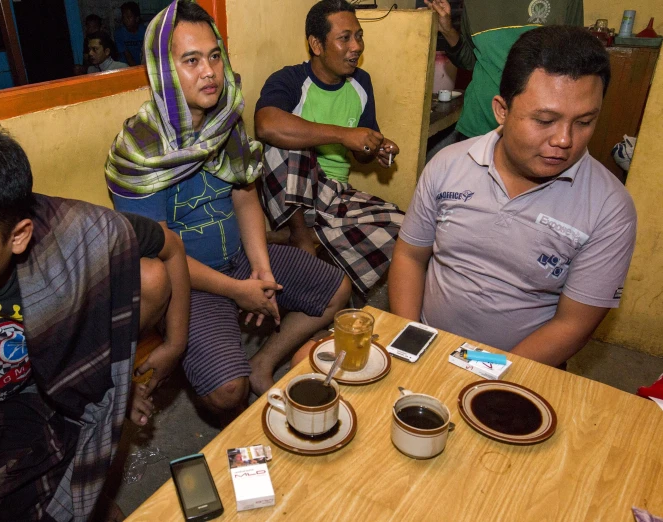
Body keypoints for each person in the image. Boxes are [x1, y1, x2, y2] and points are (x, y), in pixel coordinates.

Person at [0, 118, 189, 520]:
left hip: (53, 378)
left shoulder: (74, 234)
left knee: (148, 277)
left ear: (19, 236)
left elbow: (172, 249)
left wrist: (173, 345)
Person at [106, 0, 351, 419]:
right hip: (187, 284)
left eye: (215, 56)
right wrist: (239, 292)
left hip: (239, 258)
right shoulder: (140, 149)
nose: (209, 71)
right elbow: (161, 257)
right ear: (163, 71)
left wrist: (262, 271)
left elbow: (244, 195)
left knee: (336, 291)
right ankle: (230, 371)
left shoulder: (225, 125)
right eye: (191, 60)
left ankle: (262, 362)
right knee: (227, 393)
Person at [388, 26, 637, 368]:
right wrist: (411, 339)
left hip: (521, 370)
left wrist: (483, 372)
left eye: (584, 122)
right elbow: (411, 256)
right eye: (545, 120)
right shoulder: (447, 165)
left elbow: (573, 324)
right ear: (502, 110)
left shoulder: (610, 209)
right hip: (427, 348)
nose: (564, 140)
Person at [255, 0, 404, 296]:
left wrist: (375, 147)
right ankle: (299, 234)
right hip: (291, 194)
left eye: (359, 36)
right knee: (292, 133)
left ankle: (305, 236)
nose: (356, 46)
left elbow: (360, 154)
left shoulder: (361, 83)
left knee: (401, 225)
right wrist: (343, 134)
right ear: (316, 44)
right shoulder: (290, 79)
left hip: (334, 194)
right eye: (344, 37)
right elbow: (266, 126)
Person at [424, 0, 583, 139]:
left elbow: (576, 62)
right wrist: (447, 30)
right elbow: (470, 60)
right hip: (479, 126)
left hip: (538, 130)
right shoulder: (473, 3)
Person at [115, 2, 145, 66]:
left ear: (136, 18)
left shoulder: (145, 31)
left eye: (128, 17)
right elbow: (127, 55)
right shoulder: (119, 33)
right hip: (125, 66)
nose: (125, 20)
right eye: (124, 17)